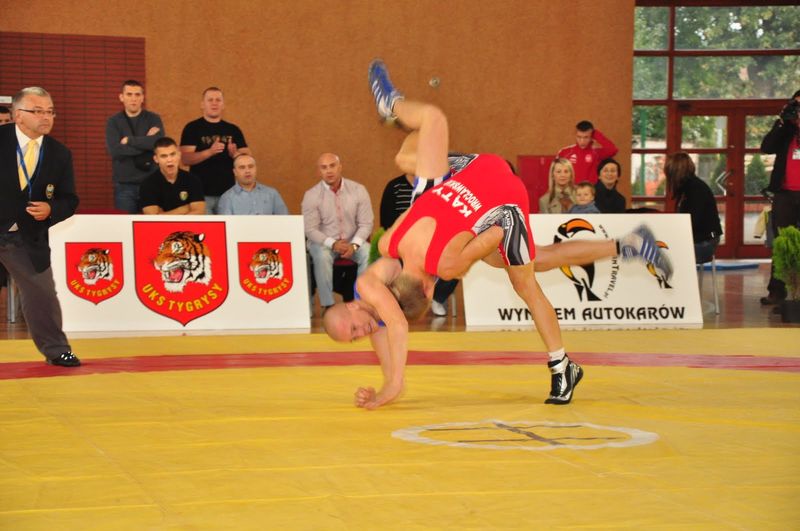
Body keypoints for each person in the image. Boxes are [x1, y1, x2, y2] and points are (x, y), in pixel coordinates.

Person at [324, 60, 670, 410]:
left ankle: (562, 366)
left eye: (353, 331)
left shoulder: (439, 269)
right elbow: (387, 321)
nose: (360, 336)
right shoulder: (390, 246)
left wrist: (394, 386)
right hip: (469, 174)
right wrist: (388, 381)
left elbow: (398, 322)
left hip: (501, 199)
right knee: (409, 156)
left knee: (525, 281)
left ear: (429, 291)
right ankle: (626, 245)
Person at [0, 87, 80, 367]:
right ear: (18, 115)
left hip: (25, 236)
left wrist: (51, 210)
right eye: (37, 111)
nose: (46, 117)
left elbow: (69, 199)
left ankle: (57, 350)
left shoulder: (60, 154)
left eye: (50, 111)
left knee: (42, 293)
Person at [302, 152, 373, 312]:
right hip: (323, 243)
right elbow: (310, 229)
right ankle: (328, 305)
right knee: (321, 255)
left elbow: (366, 223)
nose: (329, 171)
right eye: (324, 167)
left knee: (368, 253)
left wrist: (354, 245)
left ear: (340, 167)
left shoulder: (358, 190)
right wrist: (333, 244)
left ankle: (361, 301)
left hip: (352, 241)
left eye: (332, 166)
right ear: (319, 171)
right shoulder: (311, 195)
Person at [379, 172, 458, 317]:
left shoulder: (441, 183)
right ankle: (422, 298)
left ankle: (438, 297)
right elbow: (387, 223)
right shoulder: (395, 187)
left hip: (433, 237)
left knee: (455, 259)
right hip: (406, 243)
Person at [180, 87, 251, 214]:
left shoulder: (233, 129)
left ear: (223, 105)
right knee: (207, 227)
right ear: (202, 104)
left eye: (218, 100)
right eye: (210, 100)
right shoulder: (192, 128)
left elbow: (248, 158)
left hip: (228, 194)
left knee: (229, 226)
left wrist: (235, 154)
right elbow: (185, 159)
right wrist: (209, 152)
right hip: (201, 194)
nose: (214, 103)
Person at [759, 90, 800, 306]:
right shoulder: (786, 128)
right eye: (796, 105)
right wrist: (783, 122)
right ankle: (777, 291)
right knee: (782, 243)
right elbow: (766, 148)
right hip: (785, 193)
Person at [105, 80, 165, 213]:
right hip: (124, 185)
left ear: (143, 98)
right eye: (129, 94)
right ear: (121, 97)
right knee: (125, 224)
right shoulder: (113, 122)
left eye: (137, 95)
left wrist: (129, 140)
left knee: (151, 224)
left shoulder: (153, 119)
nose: (133, 99)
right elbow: (115, 151)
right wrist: (146, 141)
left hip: (151, 183)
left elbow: (158, 144)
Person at [664, 152, 722, 264]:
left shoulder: (695, 189)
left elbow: (692, 221)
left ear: (675, 173)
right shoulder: (689, 187)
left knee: (665, 254)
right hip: (703, 239)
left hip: (705, 242)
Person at [139, 137, 205, 215]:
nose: (169, 160)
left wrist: (163, 214)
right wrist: (182, 209)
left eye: (173, 154)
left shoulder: (192, 180)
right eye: (164, 156)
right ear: (156, 159)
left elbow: (199, 212)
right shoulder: (147, 184)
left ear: (179, 155)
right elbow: (154, 218)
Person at [217, 153, 289, 215]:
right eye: (242, 167)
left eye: (250, 166)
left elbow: (285, 221)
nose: (247, 171)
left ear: (255, 169)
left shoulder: (272, 194)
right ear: (235, 172)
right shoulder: (227, 198)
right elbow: (227, 225)